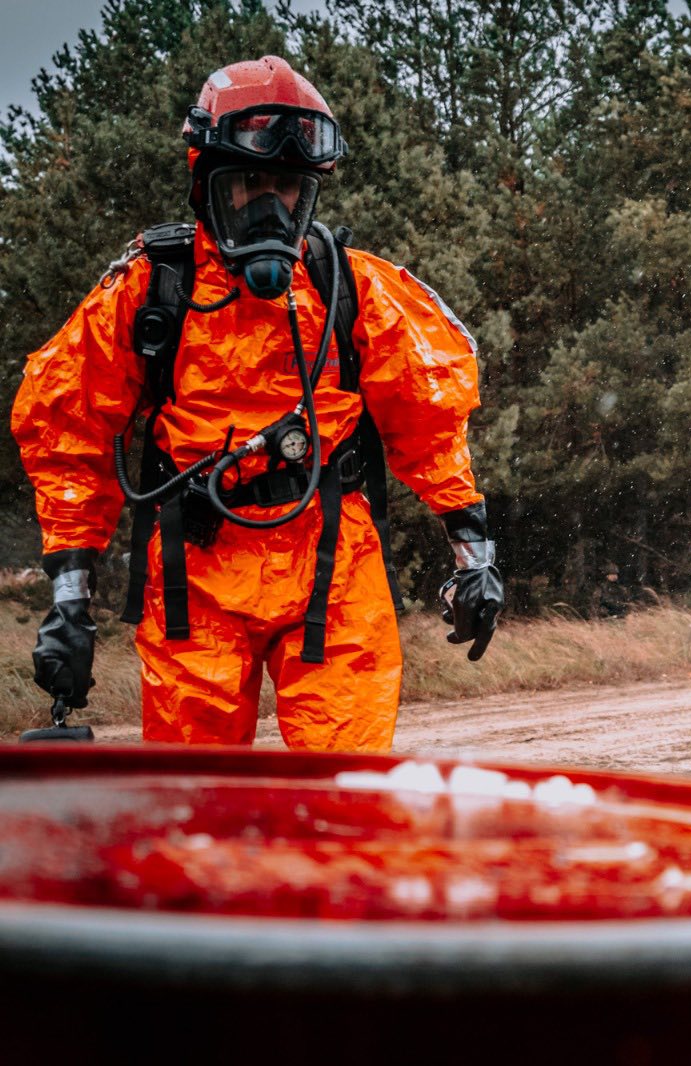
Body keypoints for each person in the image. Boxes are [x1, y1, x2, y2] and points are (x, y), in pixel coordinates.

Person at [13, 56, 502, 750]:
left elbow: (431, 421)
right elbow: (66, 432)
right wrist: (69, 600)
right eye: (249, 185)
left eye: (288, 189)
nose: (270, 208)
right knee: (198, 795)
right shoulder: (150, 290)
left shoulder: (350, 287)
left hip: (332, 563)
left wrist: (474, 557)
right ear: (207, 185)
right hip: (194, 573)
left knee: (344, 790)